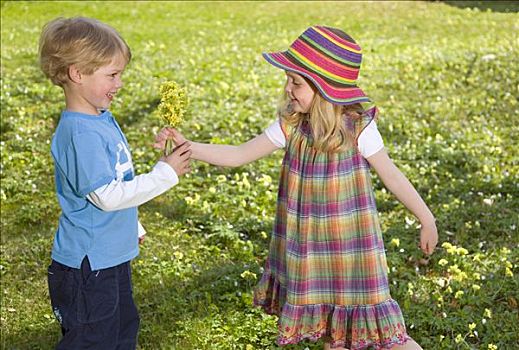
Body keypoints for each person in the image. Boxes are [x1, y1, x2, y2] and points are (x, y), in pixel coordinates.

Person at [156, 26, 438, 350]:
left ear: (325, 87)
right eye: (288, 79)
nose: (289, 89)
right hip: (310, 252)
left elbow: (393, 176)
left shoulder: (358, 129)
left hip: (352, 252)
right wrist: (188, 146)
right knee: (336, 337)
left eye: (297, 82)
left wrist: (426, 218)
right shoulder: (290, 126)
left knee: (388, 339)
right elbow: (238, 154)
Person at [39, 17, 191, 349]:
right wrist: (165, 174)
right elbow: (106, 196)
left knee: (121, 330)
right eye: (112, 74)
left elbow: (118, 178)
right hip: (88, 268)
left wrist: (130, 223)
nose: (119, 83)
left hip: (109, 258)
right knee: (94, 339)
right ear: (77, 74)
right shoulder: (80, 133)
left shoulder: (99, 119)